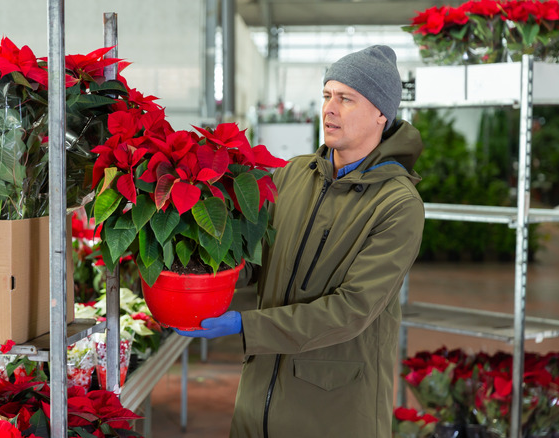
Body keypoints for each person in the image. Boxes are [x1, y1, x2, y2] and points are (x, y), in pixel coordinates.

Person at [176, 45, 425, 437]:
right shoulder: (293, 175)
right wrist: (191, 276)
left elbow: (351, 309)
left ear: (382, 113)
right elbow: (252, 257)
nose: (329, 109)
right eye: (327, 95)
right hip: (257, 400)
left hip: (332, 412)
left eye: (346, 99)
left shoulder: (397, 204)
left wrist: (245, 326)